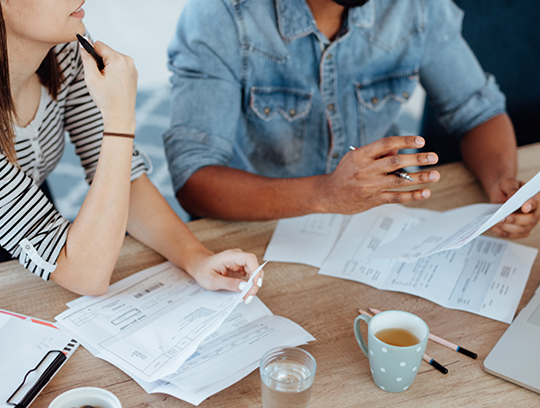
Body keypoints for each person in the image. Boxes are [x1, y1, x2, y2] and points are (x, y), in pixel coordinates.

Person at [164, 0, 540, 239]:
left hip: (373, 223)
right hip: (253, 220)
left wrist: (501, 184)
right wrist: (326, 193)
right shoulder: (219, 15)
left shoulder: (417, 8)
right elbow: (193, 178)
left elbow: (479, 111)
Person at [0, 0, 263, 300]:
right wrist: (119, 116)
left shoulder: (64, 50)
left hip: (25, 201)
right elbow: (87, 276)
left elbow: (121, 174)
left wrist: (197, 259)